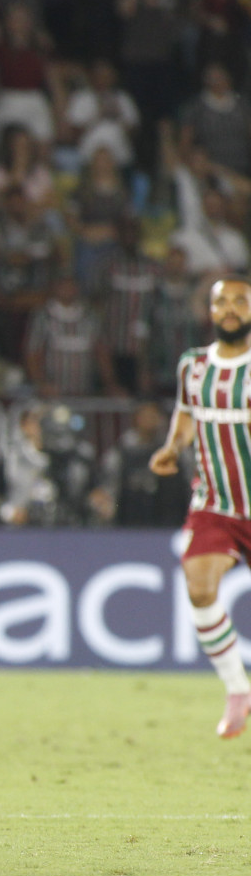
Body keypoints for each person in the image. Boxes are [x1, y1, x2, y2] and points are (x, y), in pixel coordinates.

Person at [150, 276, 251, 736]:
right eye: (221, 301)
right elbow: (187, 413)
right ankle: (238, 689)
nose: (230, 309)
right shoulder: (193, 365)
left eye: (240, 301)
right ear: (209, 311)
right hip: (215, 503)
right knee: (199, 589)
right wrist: (173, 447)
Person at [93, 400, 187, 526]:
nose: (149, 420)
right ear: (136, 418)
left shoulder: (174, 449)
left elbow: (189, 479)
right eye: (145, 416)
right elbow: (108, 483)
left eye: (153, 415)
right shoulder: (122, 450)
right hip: (129, 519)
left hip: (168, 519)